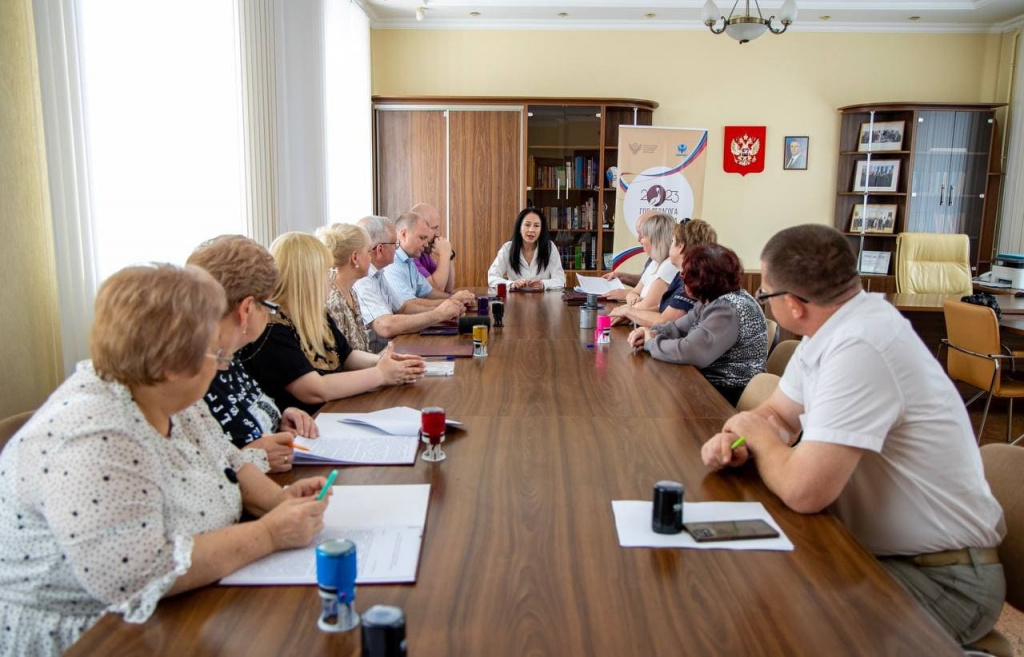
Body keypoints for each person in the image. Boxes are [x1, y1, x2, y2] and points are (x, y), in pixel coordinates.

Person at [0, 264, 329, 656]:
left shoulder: (166, 393)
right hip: (99, 634)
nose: (220, 363)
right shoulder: (93, 435)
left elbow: (229, 461)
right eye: (215, 353)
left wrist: (281, 503)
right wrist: (272, 533)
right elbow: (141, 572)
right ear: (174, 362)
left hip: (191, 602)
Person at [700, 224, 1005, 647]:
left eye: (765, 296)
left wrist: (757, 434)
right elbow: (777, 415)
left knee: (784, 632)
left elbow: (805, 491)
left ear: (794, 304)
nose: (764, 305)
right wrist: (739, 441)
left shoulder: (862, 345)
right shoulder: (829, 330)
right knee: (753, 599)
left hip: (942, 576)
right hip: (878, 551)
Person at [239, 232, 426, 416]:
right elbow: (314, 389)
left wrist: (387, 362)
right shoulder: (273, 327)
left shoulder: (316, 315)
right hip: (313, 424)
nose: (329, 280)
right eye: (324, 272)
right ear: (306, 278)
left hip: (335, 412)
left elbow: (348, 356)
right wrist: (381, 374)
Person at [188, 235, 320, 473]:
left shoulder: (229, 356)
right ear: (246, 309)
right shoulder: (193, 376)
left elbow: (250, 413)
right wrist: (249, 458)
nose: (270, 315)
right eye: (269, 306)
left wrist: (280, 418)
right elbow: (192, 474)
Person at [628, 244, 767, 404]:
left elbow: (691, 351)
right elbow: (677, 328)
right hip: (710, 385)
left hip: (728, 395)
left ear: (701, 281)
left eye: (685, 277)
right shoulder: (712, 300)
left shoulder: (726, 309)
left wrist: (651, 343)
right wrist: (652, 331)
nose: (682, 281)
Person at [354, 215, 464, 353]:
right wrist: (438, 314)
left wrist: (448, 307)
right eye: (395, 244)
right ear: (380, 249)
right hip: (375, 357)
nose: (397, 249)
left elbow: (404, 308)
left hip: (389, 349)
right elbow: (385, 326)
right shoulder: (362, 279)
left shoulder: (379, 274)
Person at [610, 219, 717, 328]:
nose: (669, 245)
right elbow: (663, 308)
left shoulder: (694, 282)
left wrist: (628, 312)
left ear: (681, 247)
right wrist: (632, 315)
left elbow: (665, 321)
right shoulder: (682, 275)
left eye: (672, 241)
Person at [383, 212, 475, 307]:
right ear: (404, 234)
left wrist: (454, 298)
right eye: (422, 238)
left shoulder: (409, 262)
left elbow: (429, 292)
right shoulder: (392, 263)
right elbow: (407, 306)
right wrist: (453, 300)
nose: (426, 244)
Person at [317, 223, 373, 352]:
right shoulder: (331, 300)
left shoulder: (350, 291)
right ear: (355, 257)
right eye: (369, 251)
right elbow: (340, 358)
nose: (371, 257)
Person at [609, 212, 676, 320]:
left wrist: (628, 309)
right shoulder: (654, 263)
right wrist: (632, 297)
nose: (640, 240)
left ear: (656, 239)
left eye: (643, 236)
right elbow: (634, 292)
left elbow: (647, 306)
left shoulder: (669, 266)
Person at [487, 207, 566, 291]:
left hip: (542, 301)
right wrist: (511, 284)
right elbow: (492, 277)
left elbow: (560, 280)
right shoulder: (508, 249)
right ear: (519, 228)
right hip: (514, 301)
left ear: (541, 230)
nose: (531, 230)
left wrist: (543, 284)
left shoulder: (550, 247)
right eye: (527, 225)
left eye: (536, 226)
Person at [602, 211, 653, 294]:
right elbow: (644, 280)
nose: (639, 239)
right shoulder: (654, 258)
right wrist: (620, 276)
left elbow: (657, 293)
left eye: (642, 234)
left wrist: (628, 293)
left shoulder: (669, 262)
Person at [409, 202, 455, 294]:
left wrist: (449, 256)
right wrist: (444, 254)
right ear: (421, 226)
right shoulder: (411, 255)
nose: (438, 233)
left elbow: (447, 289)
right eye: (434, 228)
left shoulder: (423, 253)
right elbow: (437, 289)